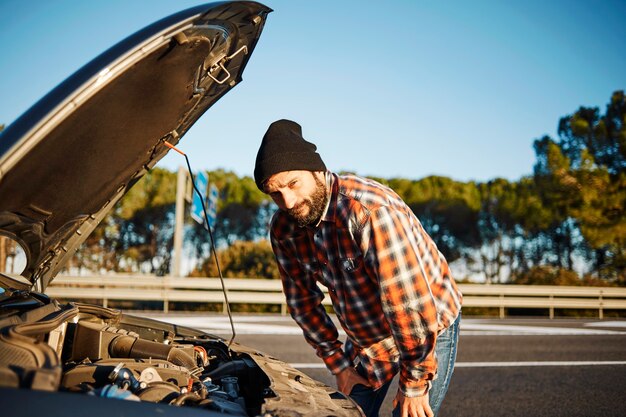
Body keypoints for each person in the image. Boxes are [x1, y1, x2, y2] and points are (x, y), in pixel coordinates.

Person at [254, 119, 462, 417]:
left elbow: (407, 305)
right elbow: (302, 304)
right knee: (349, 413)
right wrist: (338, 364)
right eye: (275, 193)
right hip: (368, 338)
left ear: (317, 172)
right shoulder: (285, 229)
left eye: (292, 184)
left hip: (426, 322)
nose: (287, 201)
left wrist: (414, 384)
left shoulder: (369, 212)